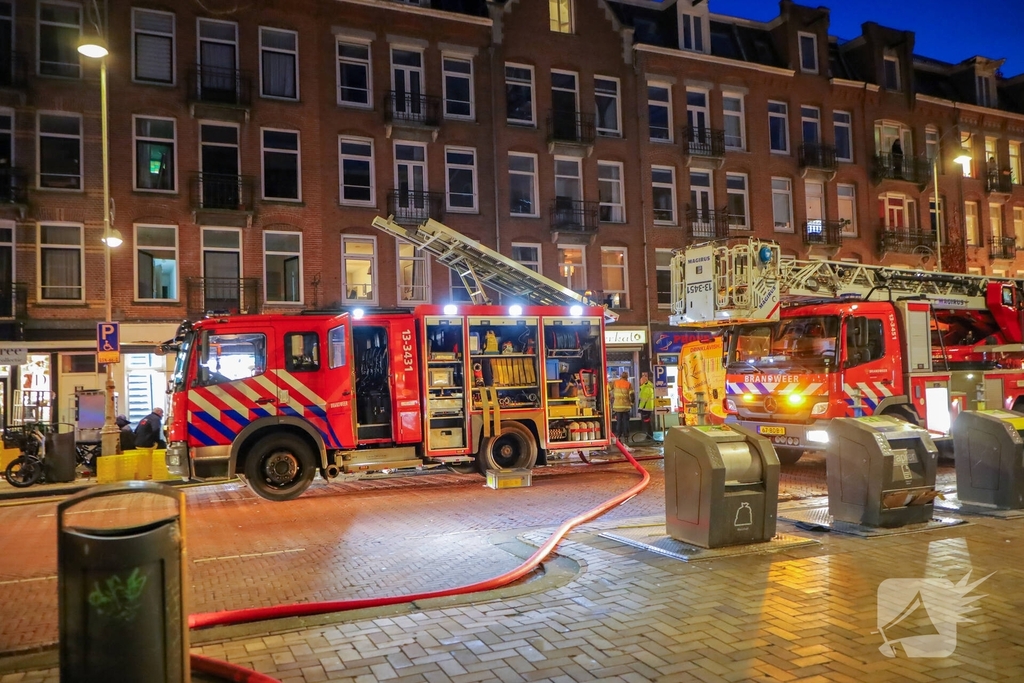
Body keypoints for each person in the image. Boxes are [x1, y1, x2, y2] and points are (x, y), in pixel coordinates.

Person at [611, 371, 635, 442]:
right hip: (626, 407)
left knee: (619, 422)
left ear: (620, 376)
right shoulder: (628, 384)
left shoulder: (615, 382)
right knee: (626, 422)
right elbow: (632, 396)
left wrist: (610, 396)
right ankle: (626, 437)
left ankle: (618, 436)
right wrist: (632, 403)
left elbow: (608, 387)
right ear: (627, 377)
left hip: (617, 407)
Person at [638, 372, 655, 438]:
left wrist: (640, 408)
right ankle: (649, 434)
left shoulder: (646, 388)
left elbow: (643, 400)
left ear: (644, 381)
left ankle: (649, 435)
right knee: (647, 422)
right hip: (647, 408)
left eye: (641, 380)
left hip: (646, 408)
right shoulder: (646, 387)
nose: (640, 382)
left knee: (647, 422)